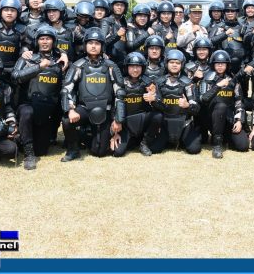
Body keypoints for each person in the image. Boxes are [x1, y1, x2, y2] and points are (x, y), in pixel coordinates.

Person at [60, 27, 124, 160]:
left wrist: (118, 119)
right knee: (67, 120)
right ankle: (73, 149)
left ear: (102, 46)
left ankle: (85, 134)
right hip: (85, 109)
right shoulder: (78, 65)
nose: (93, 46)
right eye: (90, 43)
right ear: (85, 45)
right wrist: (70, 109)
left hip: (105, 110)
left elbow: (120, 93)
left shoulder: (111, 66)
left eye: (97, 43)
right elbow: (66, 89)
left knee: (99, 152)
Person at [12, 25, 65, 169]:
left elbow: (63, 86)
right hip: (27, 104)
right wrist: (38, 67)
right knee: (27, 112)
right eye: (42, 39)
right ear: (37, 41)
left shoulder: (59, 62)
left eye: (48, 39)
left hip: (45, 110)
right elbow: (15, 77)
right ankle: (29, 154)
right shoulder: (27, 58)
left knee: (42, 150)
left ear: (53, 41)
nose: (45, 42)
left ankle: (22, 138)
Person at [152, 49, 201, 154]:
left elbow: (196, 109)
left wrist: (187, 105)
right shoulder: (159, 82)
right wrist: (154, 101)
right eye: (172, 62)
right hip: (165, 123)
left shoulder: (188, 83)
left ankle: (184, 139)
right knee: (155, 149)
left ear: (182, 65)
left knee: (194, 149)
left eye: (177, 63)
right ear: (166, 63)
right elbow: (157, 108)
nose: (174, 65)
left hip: (184, 123)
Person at [113, 52, 162, 157]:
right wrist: (115, 126)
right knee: (118, 152)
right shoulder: (120, 83)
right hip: (126, 123)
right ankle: (133, 141)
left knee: (157, 116)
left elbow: (161, 105)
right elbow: (114, 104)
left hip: (142, 120)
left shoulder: (149, 83)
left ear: (143, 68)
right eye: (132, 66)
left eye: (138, 66)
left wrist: (154, 99)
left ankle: (144, 143)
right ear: (126, 67)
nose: (135, 70)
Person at [199, 50, 246, 158]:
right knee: (221, 106)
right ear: (213, 65)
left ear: (227, 65)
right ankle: (217, 145)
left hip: (228, 118)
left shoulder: (233, 80)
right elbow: (203, 99)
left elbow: (239, 101)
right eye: (217, 63)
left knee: (243, 145)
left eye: (223, 64)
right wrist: (218, 86)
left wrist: (239, 120)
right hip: (211, 119)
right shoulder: (207, 79)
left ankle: (226, 137)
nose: (220, 66)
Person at [100, 0, 129, 68]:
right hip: (110, 60)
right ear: (112, 6)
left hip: (122, 61)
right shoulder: (107, 21)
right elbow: (101, 41)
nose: (119, 7)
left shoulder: (123, 22)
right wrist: (117, 35)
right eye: (117, 5)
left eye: (122, 5)